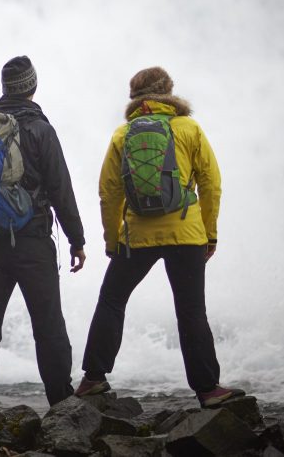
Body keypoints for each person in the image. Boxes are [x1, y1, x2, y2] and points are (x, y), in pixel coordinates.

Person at [76, 66, 244, 408]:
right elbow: (211, 184)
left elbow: (108, 192)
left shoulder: (123, 135)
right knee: (191, 311)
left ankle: (93, 378)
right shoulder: (189, 128)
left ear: (134, 97)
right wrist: (209, 234)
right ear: (169, 92)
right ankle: (208, 390)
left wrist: (112, 241)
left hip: (136, 235)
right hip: (187, 233)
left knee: (112, 300)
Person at [0, 56, 87, 406]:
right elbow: (60, 189)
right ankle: (62, 405)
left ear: (4, 87)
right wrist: (77, 240)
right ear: (32, 87)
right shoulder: (40, 129)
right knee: (48, 327)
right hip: (33, 243)